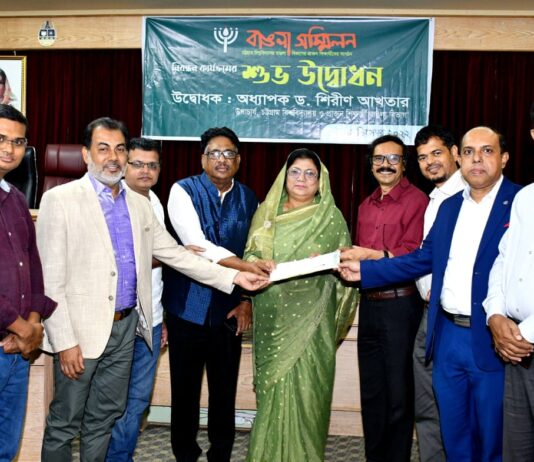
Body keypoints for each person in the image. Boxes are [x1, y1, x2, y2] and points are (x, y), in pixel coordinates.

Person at [37, 118, 268, 462]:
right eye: (103, 148)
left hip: (127, 328)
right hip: (80, 333)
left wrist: (234, 279)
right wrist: (64, 340)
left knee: (104, 418)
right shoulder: (60, 199)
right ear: (85, 154)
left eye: (119, 149)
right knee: (65, 422)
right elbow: (50, 280)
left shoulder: (139, 204)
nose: (113, 157)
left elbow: (177, 255)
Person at [339, 126, 522, 461]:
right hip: (446, 333)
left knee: (492, 437)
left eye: (487, 151)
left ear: (504, 158)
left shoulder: (521, 203)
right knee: (453, 432)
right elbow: (423, 258)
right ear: (459, 158)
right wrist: (366, 272)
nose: (476, 159)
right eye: (469, 152)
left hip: (491, 335)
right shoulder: (449, 206)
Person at [243, 149, 358, 462]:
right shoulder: (266, 214)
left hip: (313, 319)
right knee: (272, 392)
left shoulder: (330, 217)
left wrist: (330, 263)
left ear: (321, 181)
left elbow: (347, 264)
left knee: (309, 395)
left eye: (310, 173)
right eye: (295, 172)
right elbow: (249, 256)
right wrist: (259, 263)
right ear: (284, 177)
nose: (302, 179)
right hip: (274, 316)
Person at [163, 127, 269, 462]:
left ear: (239, 160)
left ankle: (220, 454)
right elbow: (197, 245)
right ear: (202, 159)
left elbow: (255, 250)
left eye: (229, 153)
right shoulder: (182, 191)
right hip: (186, 307)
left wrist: (247, 301)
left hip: (228, 310)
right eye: (214, 153)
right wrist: (245, 267)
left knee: (224, 390)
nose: (222, 160)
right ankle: (185, 454)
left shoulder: (250, 199)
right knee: (184, 391)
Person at [347, 134, 428, 461]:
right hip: (369, 305)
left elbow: (412, 255)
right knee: (372, 393)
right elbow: (359, 261)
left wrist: (369, 256)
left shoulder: (418, 201)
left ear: (405, 165)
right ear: (371, 165)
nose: (385, 165)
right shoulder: (365, 206)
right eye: (379, 159)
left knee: (398, 396)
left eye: (393, 159)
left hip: (400, 306)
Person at [0, 104, 56, 460]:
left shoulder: (17, 199)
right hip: (13, 337)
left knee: (6, 447)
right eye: (1, 139)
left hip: (16, 349)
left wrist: (33, 324)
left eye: (18, 142)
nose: (10, 149)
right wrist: (23, 328)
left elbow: (33, 264)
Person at [106, 137, 167, 461]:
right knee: (111, 401)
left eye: (152, 165)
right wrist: (174, 255)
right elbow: (122, 260)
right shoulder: (111, 202)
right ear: (124, 164)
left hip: (151, 319)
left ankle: (121, 457)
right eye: (138, 164)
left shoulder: (155, 202)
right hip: (118, 320)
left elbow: (159, 271)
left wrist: (162, 317)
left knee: (138, 400)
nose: (146, 171)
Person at [483, 104, 534, 461]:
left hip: (519, 341)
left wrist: (521, 335)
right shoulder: (525, 197)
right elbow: (503, 260)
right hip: (515, 350)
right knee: (517, 450)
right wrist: (496, 315)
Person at [413, 125, 466, 462]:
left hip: (456, 319)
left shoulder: (470, 196)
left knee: (458, 406)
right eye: (422, 157)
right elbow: (424, 259)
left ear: (455, 153)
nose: (430, 162)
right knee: (426, 403)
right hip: (428, 316)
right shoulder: (434, 200)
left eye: (436, 153)